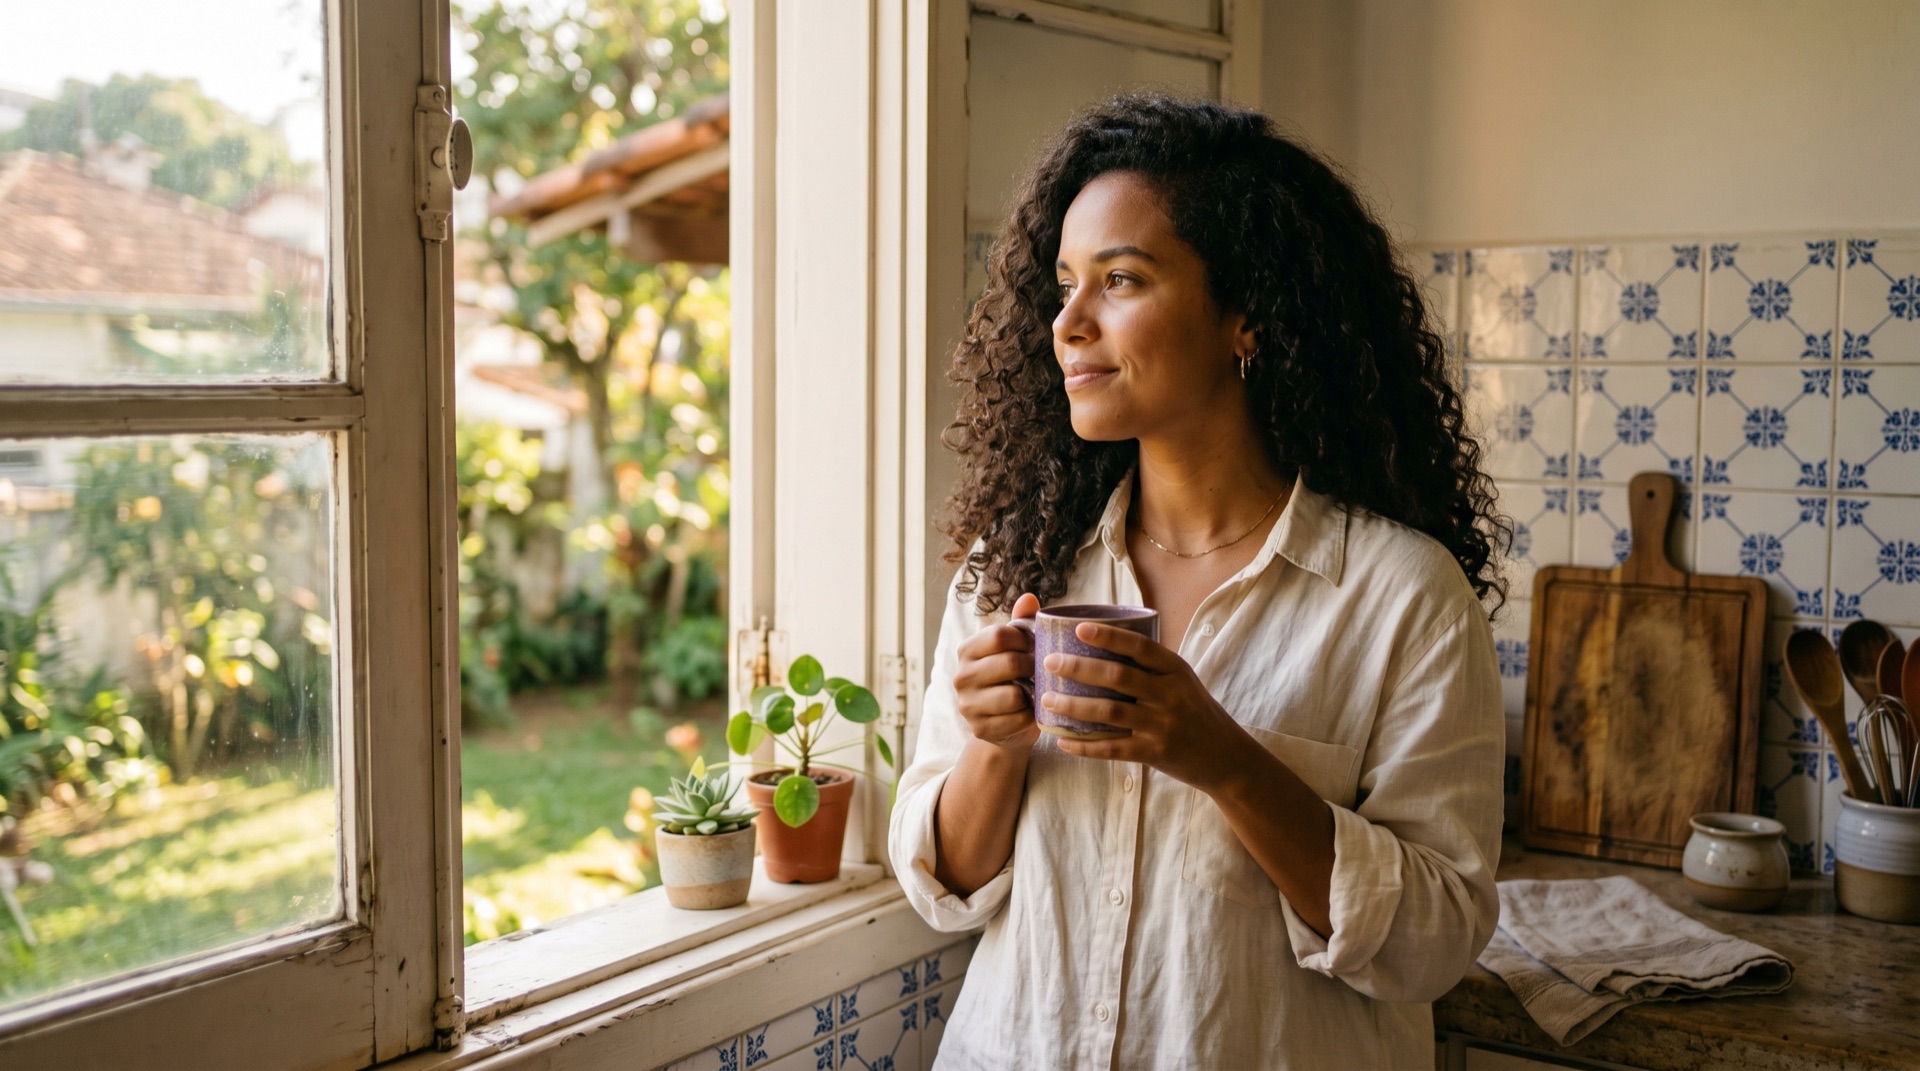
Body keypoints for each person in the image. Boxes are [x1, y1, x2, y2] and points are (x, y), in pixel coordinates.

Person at [887, 93, 1512, 1070]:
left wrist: (1222, 757)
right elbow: (943, 886)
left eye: (1121, 280)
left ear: (1245, 315)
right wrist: (994, 748)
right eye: (1064, 286)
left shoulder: (1401, 598)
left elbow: (1435, 938)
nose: (1069, 324)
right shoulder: (1017, 566)